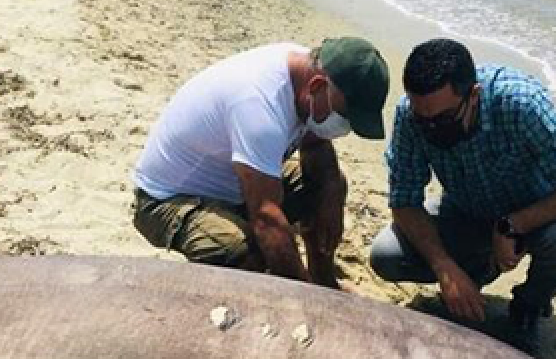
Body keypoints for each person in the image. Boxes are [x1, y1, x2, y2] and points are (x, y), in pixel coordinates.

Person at [369, 38, 556, 347]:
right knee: (386, 255)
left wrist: (514, 224)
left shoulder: (521, 105)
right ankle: (475, 274)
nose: (430, 128)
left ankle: (527, 307)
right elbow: (404, 201)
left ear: (474, 96)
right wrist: (445, 267)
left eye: (442, 119)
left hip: (536, 219)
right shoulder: (410, 115)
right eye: (422, 119)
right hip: (466, 212)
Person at [132, 38, 390, 289]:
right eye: (343, 116)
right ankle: (304, 293)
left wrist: (330, 200)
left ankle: (322, 279)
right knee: (241, 251)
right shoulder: (259, 104)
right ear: (317, 86)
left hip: (234, 180)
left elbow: (315, 146)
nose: (344, 126)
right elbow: (266, 218)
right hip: (167, 200)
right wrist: (303, 298)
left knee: (328, 186)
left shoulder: (306, 73)